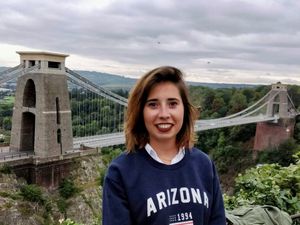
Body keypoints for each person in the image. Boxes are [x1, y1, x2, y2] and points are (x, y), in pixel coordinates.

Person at [102, 66, 226, 225]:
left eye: (173, 103)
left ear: (185, 110)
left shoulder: (204, 165)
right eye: (153, 104)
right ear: (140, 112)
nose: (164, 114)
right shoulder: (120, 172)